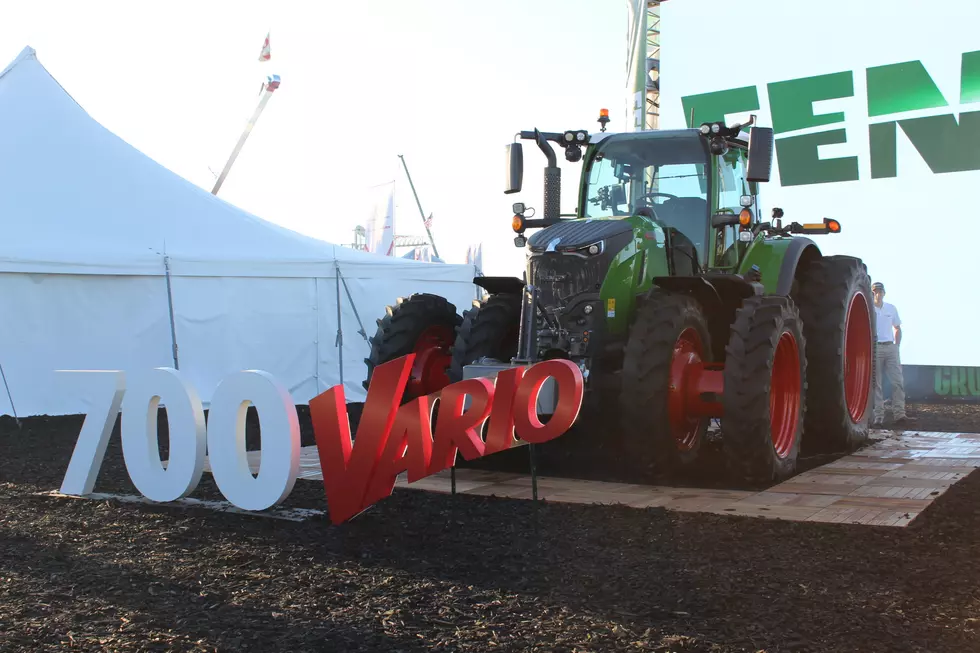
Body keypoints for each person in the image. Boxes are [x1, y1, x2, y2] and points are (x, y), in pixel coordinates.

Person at [872, 281, 911, 426]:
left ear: (884, 293)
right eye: (876, 291)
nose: (878, 293)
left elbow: (897, 327)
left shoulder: (891, 308)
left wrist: (896, 346)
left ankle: (900, 414)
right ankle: (878, 416)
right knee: (876, 383)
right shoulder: (869, 308)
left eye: (880, 291)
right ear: (872, 292)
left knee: (898, 381)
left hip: (890, 347)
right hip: (875, 347)